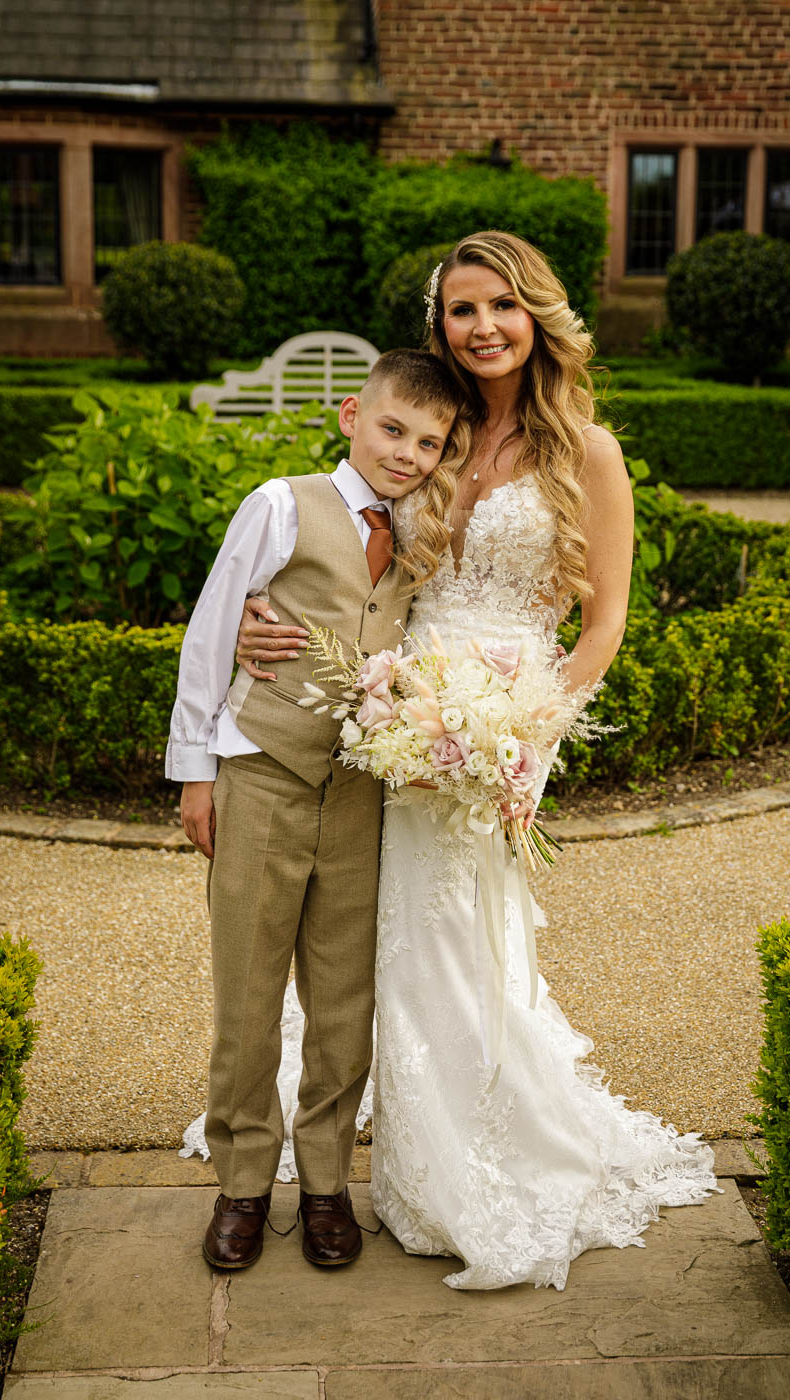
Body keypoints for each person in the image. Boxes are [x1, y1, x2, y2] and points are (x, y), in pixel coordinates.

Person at [233, 231, 719, 1291]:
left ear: (536, 313)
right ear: (439, 326)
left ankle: (478, 1161)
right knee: (378, 939)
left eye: (501, 304)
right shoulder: (432, 432)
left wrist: (527, 735)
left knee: (460, 936)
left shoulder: (586, 449)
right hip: (393, 714)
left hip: (502, 727)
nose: (483, 326)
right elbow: (342, 548)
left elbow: (603, 622)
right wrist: (257, 618)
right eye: (462, 310)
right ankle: (386, 1166)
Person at [167, 349, 466, 1273]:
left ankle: (328, 1181)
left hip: (361, 793)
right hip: (260, 773)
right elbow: (215, 629)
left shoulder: (421, 533)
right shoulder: (282, 503)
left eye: (430, 441)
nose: (408, 453)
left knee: (344, 999)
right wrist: (195, 773)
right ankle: (244, 1184)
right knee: (248, 996)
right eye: (392, 429)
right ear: (349, 415)